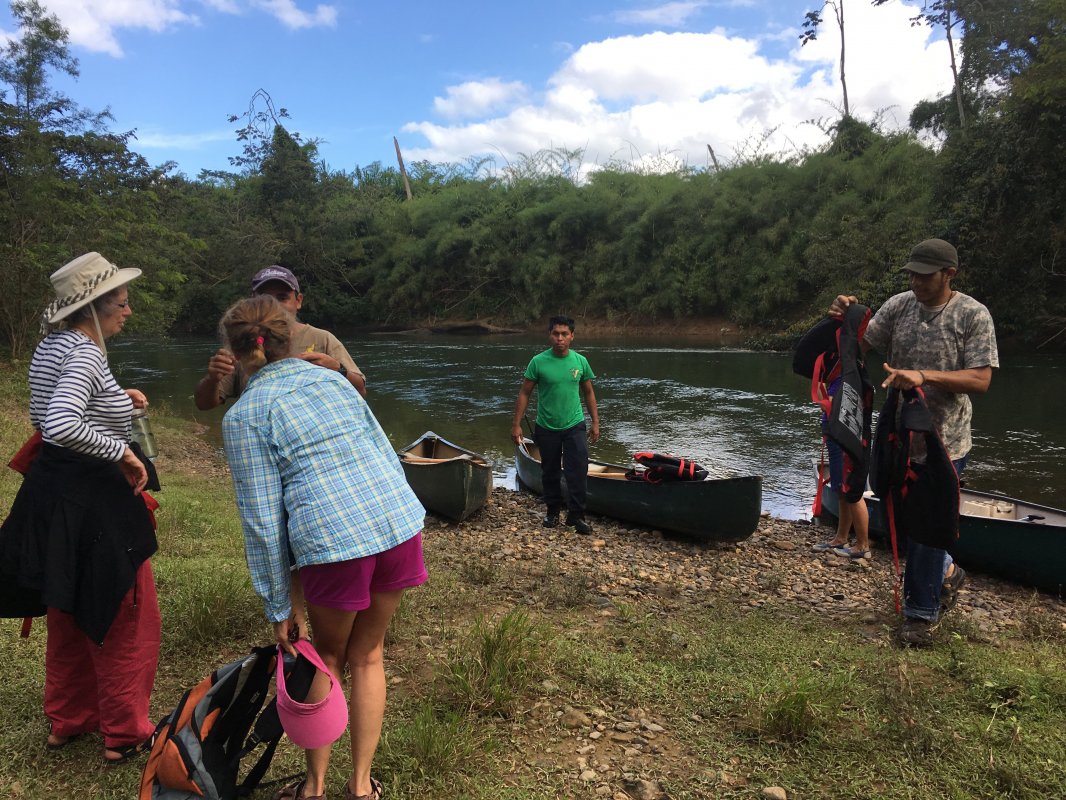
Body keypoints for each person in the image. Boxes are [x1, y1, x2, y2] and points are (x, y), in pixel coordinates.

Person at [220, 295, 426, 800]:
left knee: (325, 658)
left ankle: (314, 788)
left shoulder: (245, 415)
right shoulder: (332, 379)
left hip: (335, 542)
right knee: (370, 655)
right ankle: (360, 788)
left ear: (237, 350)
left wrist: (279, 606)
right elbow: (382, 448)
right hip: (397, 522)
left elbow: (265, 523)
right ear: (293, 337)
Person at [0, 252, 160, 763]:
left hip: (52, 494)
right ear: (92, 307)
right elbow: (61, 423)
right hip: (94, 502)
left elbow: (46, 409)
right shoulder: (86, 355)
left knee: (66, 605)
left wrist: (119, 399)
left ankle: (68, 720)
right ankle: (125, 733)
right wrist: (123, 450)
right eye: (121, 302)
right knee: (125, 613)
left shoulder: (53, 348)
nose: (127, 311)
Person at [831, 238, 998, 646]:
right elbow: (858, 346)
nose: (917, 283)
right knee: (903, 522)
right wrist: (845, 317)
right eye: (912, 275)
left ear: (949, 275)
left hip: (946, 442)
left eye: (926, 276)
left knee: (926, 528)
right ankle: (945, 572)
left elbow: (981, 379)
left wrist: (925, 375)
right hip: (898, 437)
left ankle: (921, 615)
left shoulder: (972, 315)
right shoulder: (899, 306)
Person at [195, 265, 366, 409]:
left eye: (282, 297)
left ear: (298, 301)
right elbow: (204, 404)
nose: (274, 304)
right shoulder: (244, 342)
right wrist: (213, 378)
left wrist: (339, 370)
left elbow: (361, 391)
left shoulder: (323, 339)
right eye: (265, 297)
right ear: (254, 302)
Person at [511, 315, 600, 535]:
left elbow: (588, 392)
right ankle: (552, 512)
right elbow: (524, 393)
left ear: (572, 336)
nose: (560, 338)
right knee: (549, 472)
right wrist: (516, 424)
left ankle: (576, 516)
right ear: (550, 335)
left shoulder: (580, 362)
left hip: (575, 425)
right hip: (547, 426)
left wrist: (595, 422)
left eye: (564, 334)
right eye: (556, 334)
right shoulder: (538, 362)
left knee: (578, 471)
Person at [811, 384, 872, 560]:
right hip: (837, 437)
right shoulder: (842, 374)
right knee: (840, 489)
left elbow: (828, 405)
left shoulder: (842, 376)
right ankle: (841, 538)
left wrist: (819, 390)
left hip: (841, 439)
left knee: (851, 490)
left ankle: (862, 545)